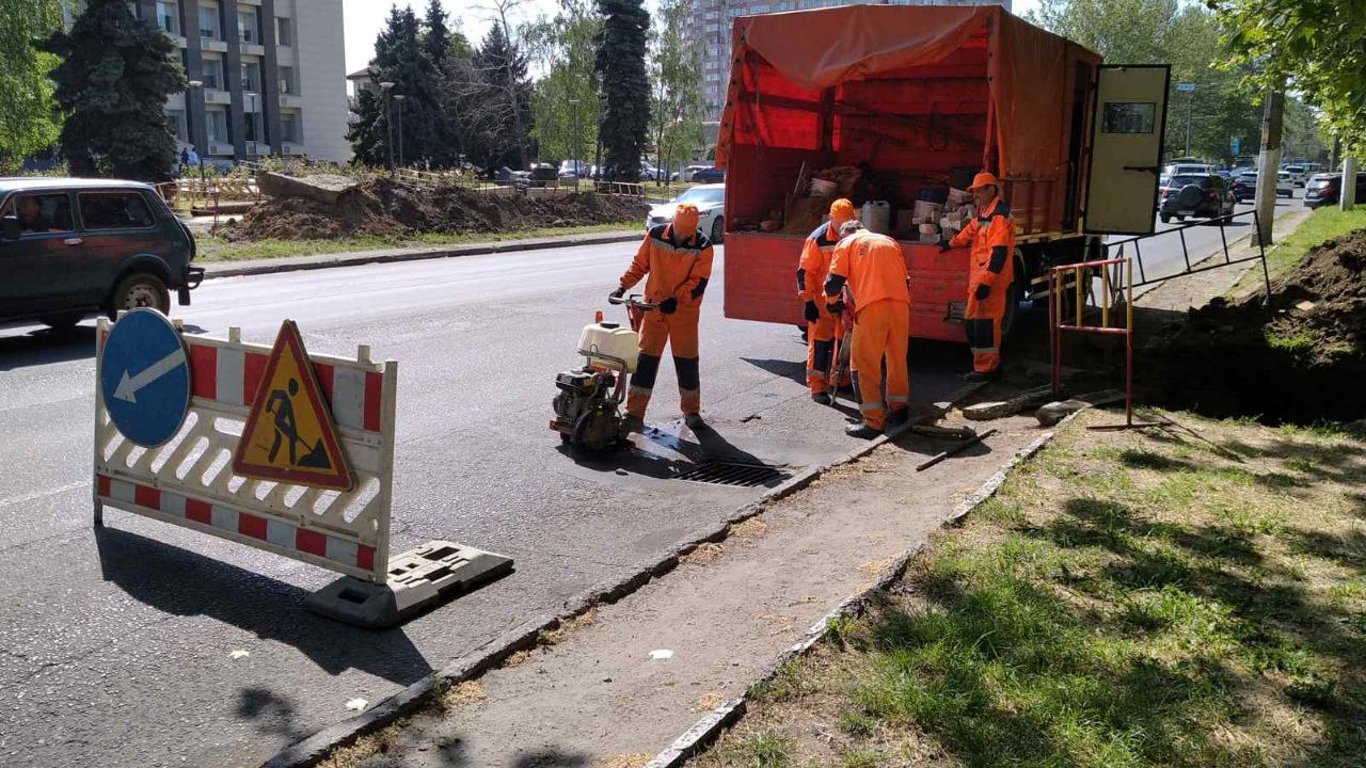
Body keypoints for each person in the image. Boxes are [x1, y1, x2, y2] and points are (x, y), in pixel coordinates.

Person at [610, 202, 714, 431]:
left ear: (694, 228)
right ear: (673, 223)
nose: (681, 235)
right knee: (644, 362)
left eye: (686, 232)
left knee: (686, 363)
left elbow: (697, 283)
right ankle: (634, 413)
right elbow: (640, 264)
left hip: (683, 314)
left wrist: (676, 300)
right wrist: (622, 287)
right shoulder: (656, 235)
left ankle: (691, 412)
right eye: (678, 229)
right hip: (654, 310)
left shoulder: (704, 247)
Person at [825, 220, 911, 438]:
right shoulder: (889, 241)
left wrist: (832, 303)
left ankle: (873, 422)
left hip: (873, 307)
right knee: (896, 358)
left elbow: (833, 282)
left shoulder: (847, 243)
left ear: (846, 232)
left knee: (863, 364)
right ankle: (899, 410)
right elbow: (905, 279)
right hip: (901, 305)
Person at [942, 171, 1015, 381]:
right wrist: (950, 243)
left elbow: (999, 254)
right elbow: (971, 230)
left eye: (977, 192)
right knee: (975, 324)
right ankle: (987, 365)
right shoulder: (986, 212)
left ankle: (986, 369)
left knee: (985, 326)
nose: (975, 196)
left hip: (990, 281)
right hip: (981, 279)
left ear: (990, 190)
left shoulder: (998, 217)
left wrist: (987, 282)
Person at [797, 198, 857, 405]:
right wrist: (808, 301)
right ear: (831, 219)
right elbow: (805, 271)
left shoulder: (854, 233)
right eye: (840, 224)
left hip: (845, 299)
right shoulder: (818, 239)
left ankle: (841, 381)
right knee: (821, 343)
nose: (843, 228)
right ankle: (817, 387)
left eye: (846, 223)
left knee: (844, 343)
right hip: (822, 301)